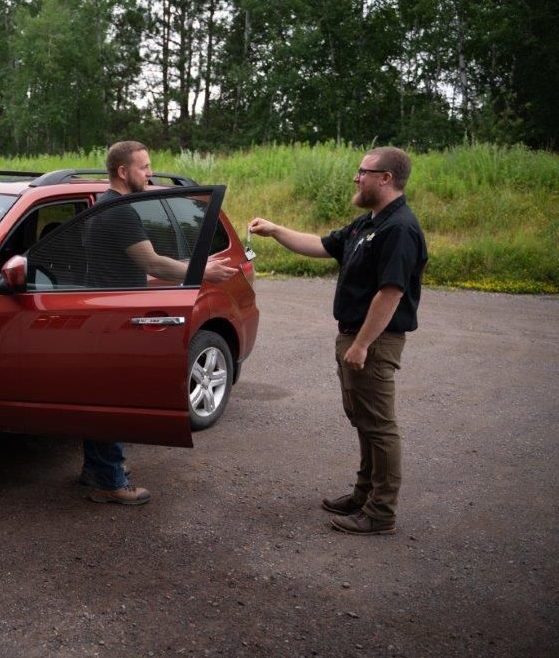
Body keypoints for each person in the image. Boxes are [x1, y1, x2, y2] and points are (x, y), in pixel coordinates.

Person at [248, 146, 427, 535]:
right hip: (356, 337)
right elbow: (321, 245)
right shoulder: (369, 223)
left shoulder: (399, 228)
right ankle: (364, 495)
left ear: (386, 178)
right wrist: (276, 230)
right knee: (363, 419)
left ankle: (381, 512)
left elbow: (391, 293)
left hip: (374, 340)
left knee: (379, 426)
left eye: (363, 172)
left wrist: (362, 344)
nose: (356, 178)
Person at [81, 141, 236, 505]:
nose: (150, 173)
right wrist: (203, 270)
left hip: (101, 316)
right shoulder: (120, 212)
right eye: (144, 167)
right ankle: (110, 482)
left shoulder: (101, 205)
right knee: (113, 402)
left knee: (99, 397)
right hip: (116, 320)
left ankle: (96, 470)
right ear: (123, 172)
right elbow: (152, 263)